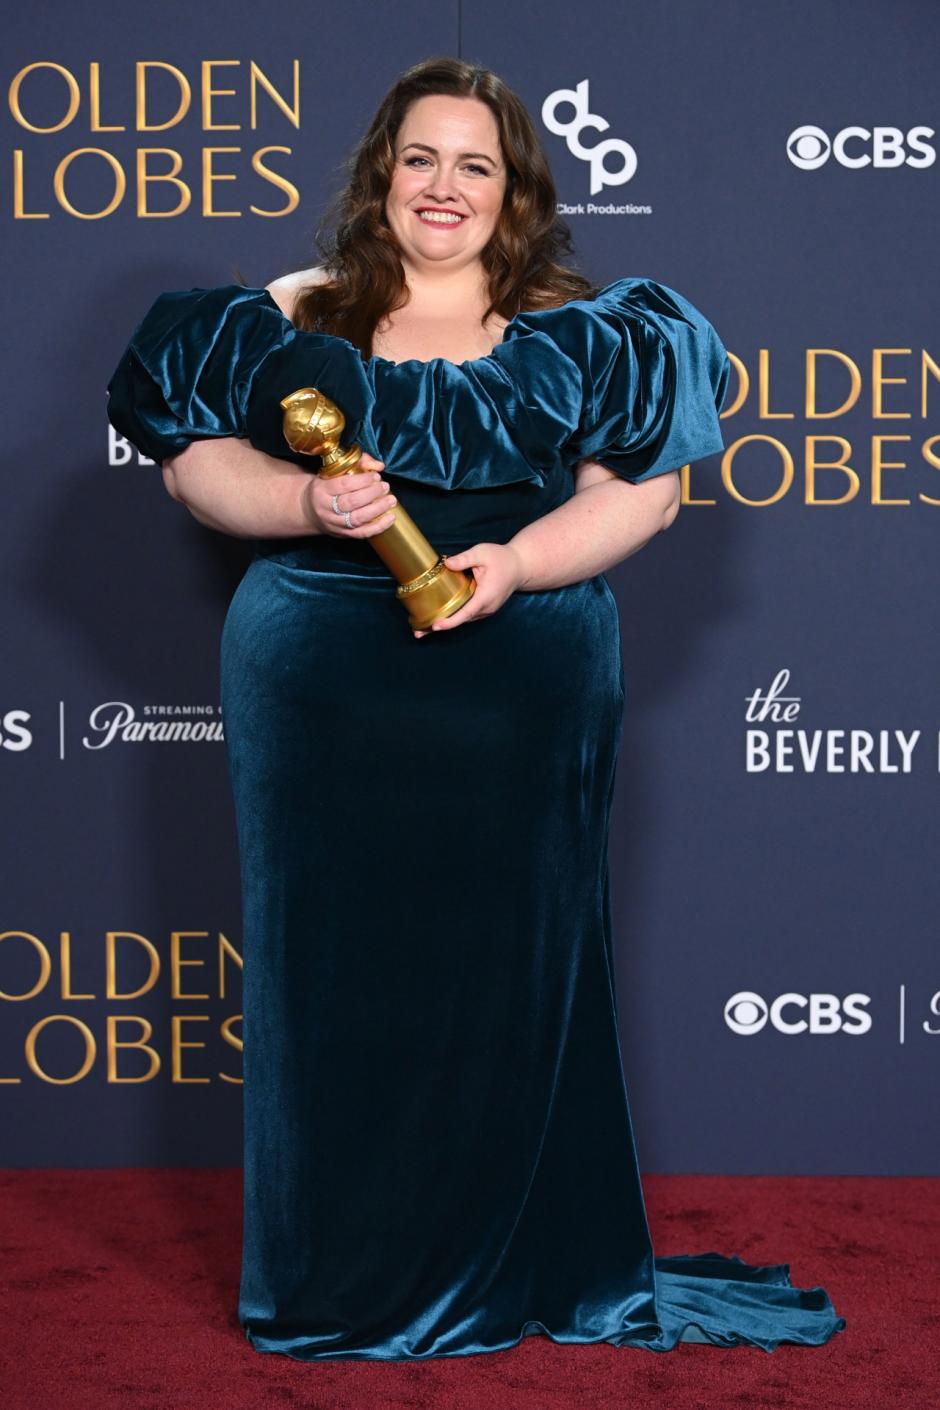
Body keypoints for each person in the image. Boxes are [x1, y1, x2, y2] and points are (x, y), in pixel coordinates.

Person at [107, 56, 846, 1361]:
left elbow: (647, 496)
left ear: (513, 192)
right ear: (381, 174)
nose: (443, 188)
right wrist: (304, 505)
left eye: (475, 165)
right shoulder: (290, 311)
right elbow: (192, 470)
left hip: (521, 685)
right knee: (332, 983)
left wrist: (518, 563)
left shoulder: (584, 324)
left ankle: (512, 1259)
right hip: (320, 685)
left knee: (511, 978)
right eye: (421, 159)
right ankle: (341, 1277)